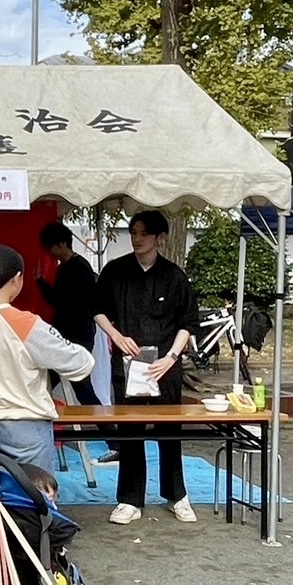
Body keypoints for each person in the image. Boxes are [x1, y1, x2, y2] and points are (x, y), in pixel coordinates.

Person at [93, 210, 200, 525]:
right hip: (127, 363)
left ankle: (176, 495)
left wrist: (171, 357)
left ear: (160, 238)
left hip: (165, 366)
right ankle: (130, 499)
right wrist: (116, 336)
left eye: (143, 234)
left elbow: (187, 323)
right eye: (133, 233)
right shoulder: (115, 271)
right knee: (130, 432)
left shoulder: (175, 276)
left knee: (170, 432)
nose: (137, 239)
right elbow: (98, 310)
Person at [0, 245, 95, 469]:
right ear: (17, 278)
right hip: (24, 428)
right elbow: (80, 364)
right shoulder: (24, 323)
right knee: (32, 500)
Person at [36, 222, 101, 406]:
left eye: (51, 247)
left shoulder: (81, 268)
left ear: (62, 244)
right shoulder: (63, 268)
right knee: (53, 379)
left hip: (79, 334)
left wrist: (41, 282)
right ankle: (104, 424)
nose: (50, 252)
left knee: (80, 384)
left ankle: (105, 425)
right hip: (64, 333)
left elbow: (65, 301)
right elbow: (59, 301)